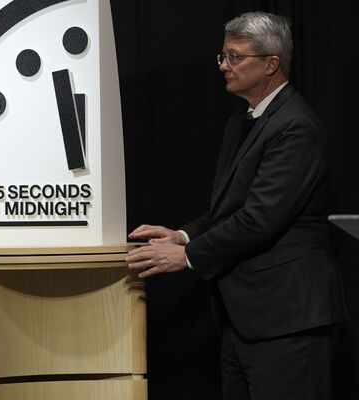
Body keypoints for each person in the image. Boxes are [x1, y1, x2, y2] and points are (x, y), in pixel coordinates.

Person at [125, 11, 347, 400]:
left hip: (286, 321)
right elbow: (227, 212)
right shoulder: (241, 123)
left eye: (235, 57)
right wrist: (181, 235)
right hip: (242, 320)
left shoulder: (296, 126)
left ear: (271, 64)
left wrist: (187, 255)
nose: (224, 66)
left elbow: (259, 219)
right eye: (222, 57)